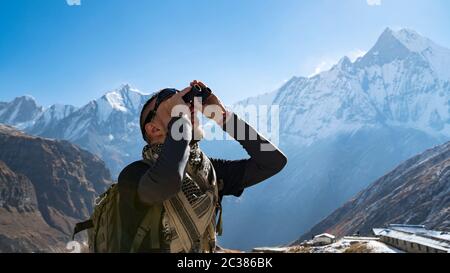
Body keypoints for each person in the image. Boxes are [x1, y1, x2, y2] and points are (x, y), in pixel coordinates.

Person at [117, 80, 287, 253]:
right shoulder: (134, 176)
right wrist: (182, 120)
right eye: (172, 105)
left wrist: (224, 117)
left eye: (185, 103)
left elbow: (273, 162)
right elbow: (169, 180)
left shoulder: (208, 171)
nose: (186, 107)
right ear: (153, 129)